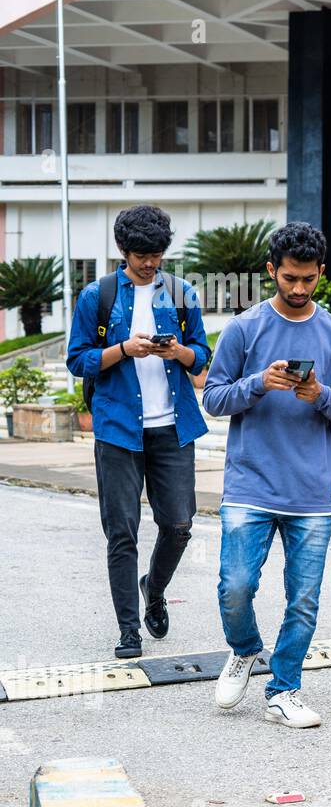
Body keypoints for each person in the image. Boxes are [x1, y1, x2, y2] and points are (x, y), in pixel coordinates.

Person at [202, 222, 331, 729]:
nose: (298, 289)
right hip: (249, 485)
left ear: (321, 274)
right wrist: (257, 383)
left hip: (312, 492)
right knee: (236, 586)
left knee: (304, 598)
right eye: (290, 278)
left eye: (308, 280)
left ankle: (285, 688)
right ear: (272, 271)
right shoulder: (244, 329)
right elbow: (212, 398)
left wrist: (321, 396)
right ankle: (246, 649)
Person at [66, 205, 209, 659]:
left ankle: (156, 587)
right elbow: (77, 360)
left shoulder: (182, 292)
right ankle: (129, 631)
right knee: (122, 532)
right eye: (140, 254)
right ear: (123, 251)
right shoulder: (98, 295)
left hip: (171, 427)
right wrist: (123, 349)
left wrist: (179, 354)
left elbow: (202, 355)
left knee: (180, 525)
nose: (149, 262)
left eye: (157, 254)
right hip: (118, 430)